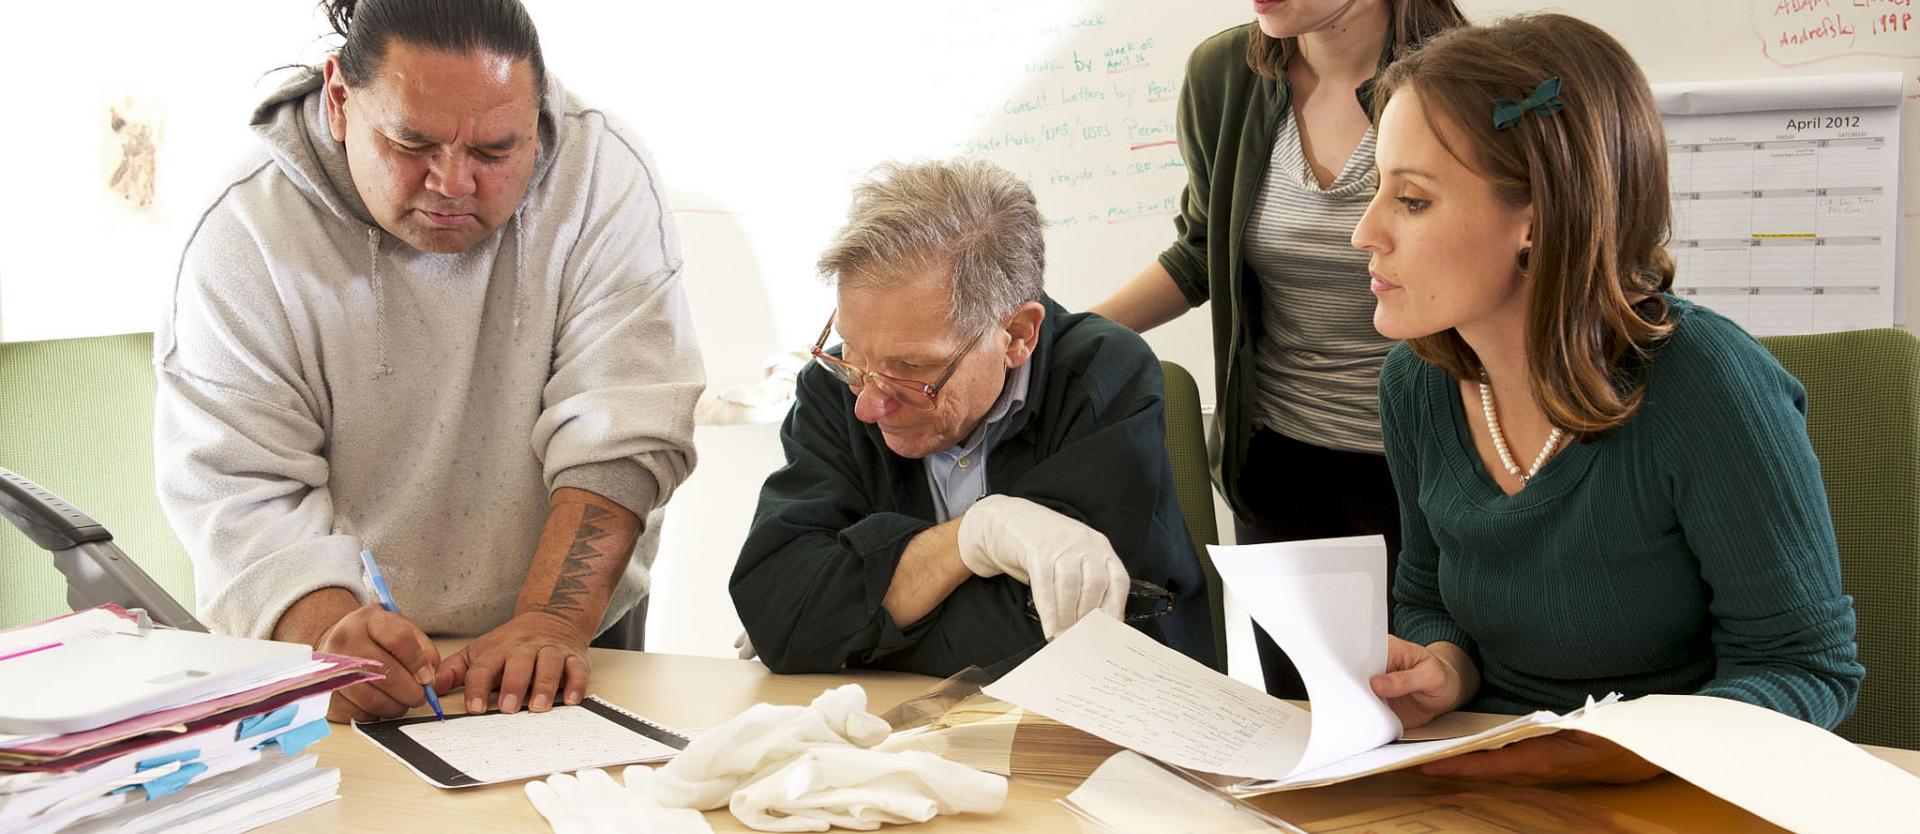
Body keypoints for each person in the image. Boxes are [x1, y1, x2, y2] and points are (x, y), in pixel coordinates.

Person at [155, 0, 702, 723]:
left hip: (569, 629)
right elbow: (240, 488)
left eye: (495, 151)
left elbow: (624, 425)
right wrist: (325, 631)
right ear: (341, 100)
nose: (452, 183)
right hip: (339, 643)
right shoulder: (245, 231)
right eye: (412, 144)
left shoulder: (601, 176)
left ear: (537, 118)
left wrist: (552, 619)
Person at [1356, 14, 1863, 784]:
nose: (1365, 233)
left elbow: (1808, 667)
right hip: (1489, 771)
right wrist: (1445, 667)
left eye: (1413, 200)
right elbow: (1428, 594)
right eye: (1376, 190)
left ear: (1537, 217)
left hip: (1682, 789)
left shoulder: (1707, 382)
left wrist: (1620, 753)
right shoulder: (1417, 384)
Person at [1090, 0, 1466, 699]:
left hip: (1432, 469)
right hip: (1278, 465)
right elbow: (1203, 250)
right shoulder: (1222, 76)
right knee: (1302, 719)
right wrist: (1068, 337)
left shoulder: (1461, 80)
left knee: (1426, 714)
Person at [733, 158, 1214, 677]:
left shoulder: (1105, 375)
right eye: (854, 356)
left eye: (912, 369)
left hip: (1101, 728)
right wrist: (971, 539)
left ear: (1016, 336)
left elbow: (1050, 644)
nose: (867, 405)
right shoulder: (834, 385)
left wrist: (848, 623)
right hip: (901, 731)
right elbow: (777, 605)